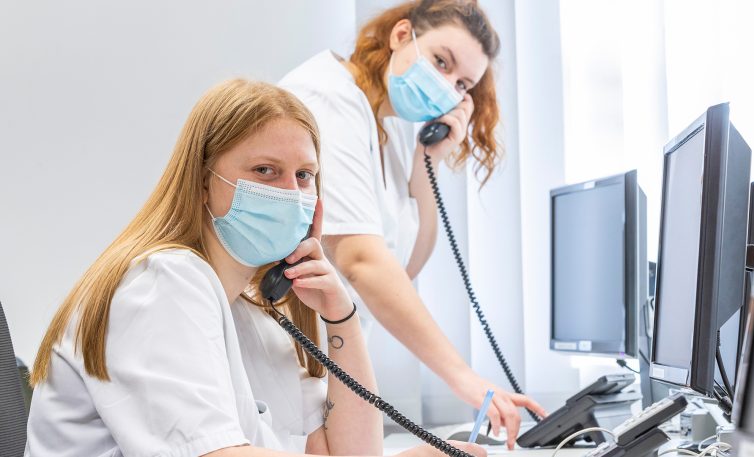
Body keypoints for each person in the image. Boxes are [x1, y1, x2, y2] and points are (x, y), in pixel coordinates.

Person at [24, 79, 484, 457]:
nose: (290, 192)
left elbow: (347, 451)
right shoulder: (162, 283)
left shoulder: (253, 304)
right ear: (204, 183)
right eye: (266, 170)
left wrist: (341, 317)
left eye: (304, 175)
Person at [279, 0, 546, 448]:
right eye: (442, 62)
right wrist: (465, 379)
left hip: (325, 370)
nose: (447, 86)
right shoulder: (330, 98)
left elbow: (405, 264)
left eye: (462, 84)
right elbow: (361, 262)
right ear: (401, 35)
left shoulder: (389, 127)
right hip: (288, 367)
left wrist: (429, 159)